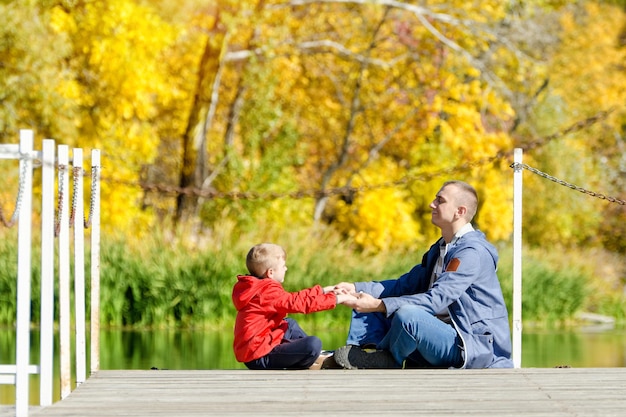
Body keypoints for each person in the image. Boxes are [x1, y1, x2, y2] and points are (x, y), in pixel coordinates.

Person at [331, 180, 514, 369]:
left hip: (469, 345)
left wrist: (378, 305)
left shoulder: (471, 253)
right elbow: (403, 286)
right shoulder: (441, 248)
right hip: (439, 335)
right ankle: (363, 353)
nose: (431, 204)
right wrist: (354, 289)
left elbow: (436, 300)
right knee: (366, 300)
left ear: (460, 211)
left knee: (407, 315)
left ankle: (385, 360)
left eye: (440, 200)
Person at [232, 242, 354, 370]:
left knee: (288, 324)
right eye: (283, 266)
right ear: (271, 272)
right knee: (313, 344)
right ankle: (314, 359)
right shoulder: (267, 292)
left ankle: (317, 357)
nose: (286, 268)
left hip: (257, 349)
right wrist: (338, 298)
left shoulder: (258, 287)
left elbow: (294, 298)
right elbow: (300, 304)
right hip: (259, 356)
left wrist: (324, 290)